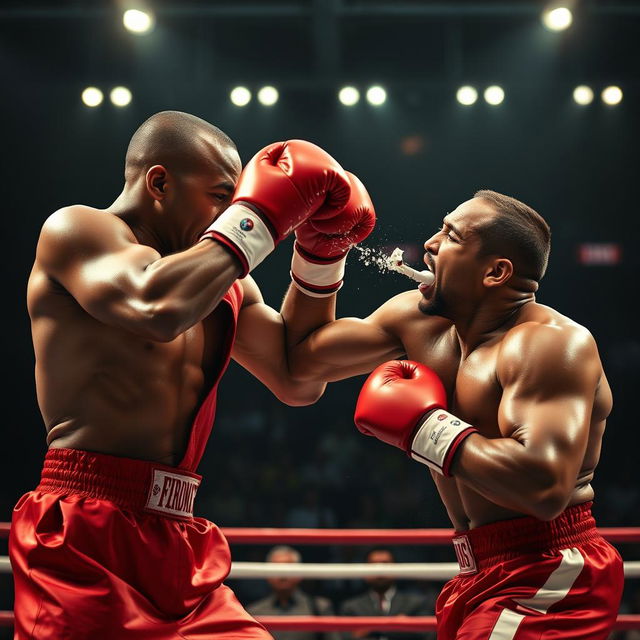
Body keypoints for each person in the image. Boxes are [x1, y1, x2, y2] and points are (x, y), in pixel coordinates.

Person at [9, 110, 375, 639]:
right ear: (158, 182)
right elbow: (155, 306)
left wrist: (320, 258)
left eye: (238, 202)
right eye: (222, 197)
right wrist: (258, 216)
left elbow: (297, 377)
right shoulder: (77, 230)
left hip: (179, 538)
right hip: (85, 531)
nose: (232, 214)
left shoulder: (221, 280)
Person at [285, 190, 624, 639]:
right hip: (476, 567)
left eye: (452, 235)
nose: (430, 243)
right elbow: (301, 363)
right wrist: (316, 256)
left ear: (496, 272)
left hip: (548, 570)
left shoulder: (549, 345)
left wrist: (424, 428)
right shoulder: (418, 321)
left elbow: (544, 487)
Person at [246, 545, 341, 640]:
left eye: (287, 569)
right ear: (267, 575)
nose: (282, 575)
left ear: (299, 573)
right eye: (276, 569)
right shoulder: (254, 612)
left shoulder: (320, 608)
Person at [339, 547, 433, 640]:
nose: (380, 570)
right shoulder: (351, 607)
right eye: (373, 565)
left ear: (396, 569)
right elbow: (346, 637)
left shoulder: (416, 604)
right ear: (365, 571)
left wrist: (369, 629)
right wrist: (396, 626)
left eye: (385, 564)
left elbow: (428, 635)